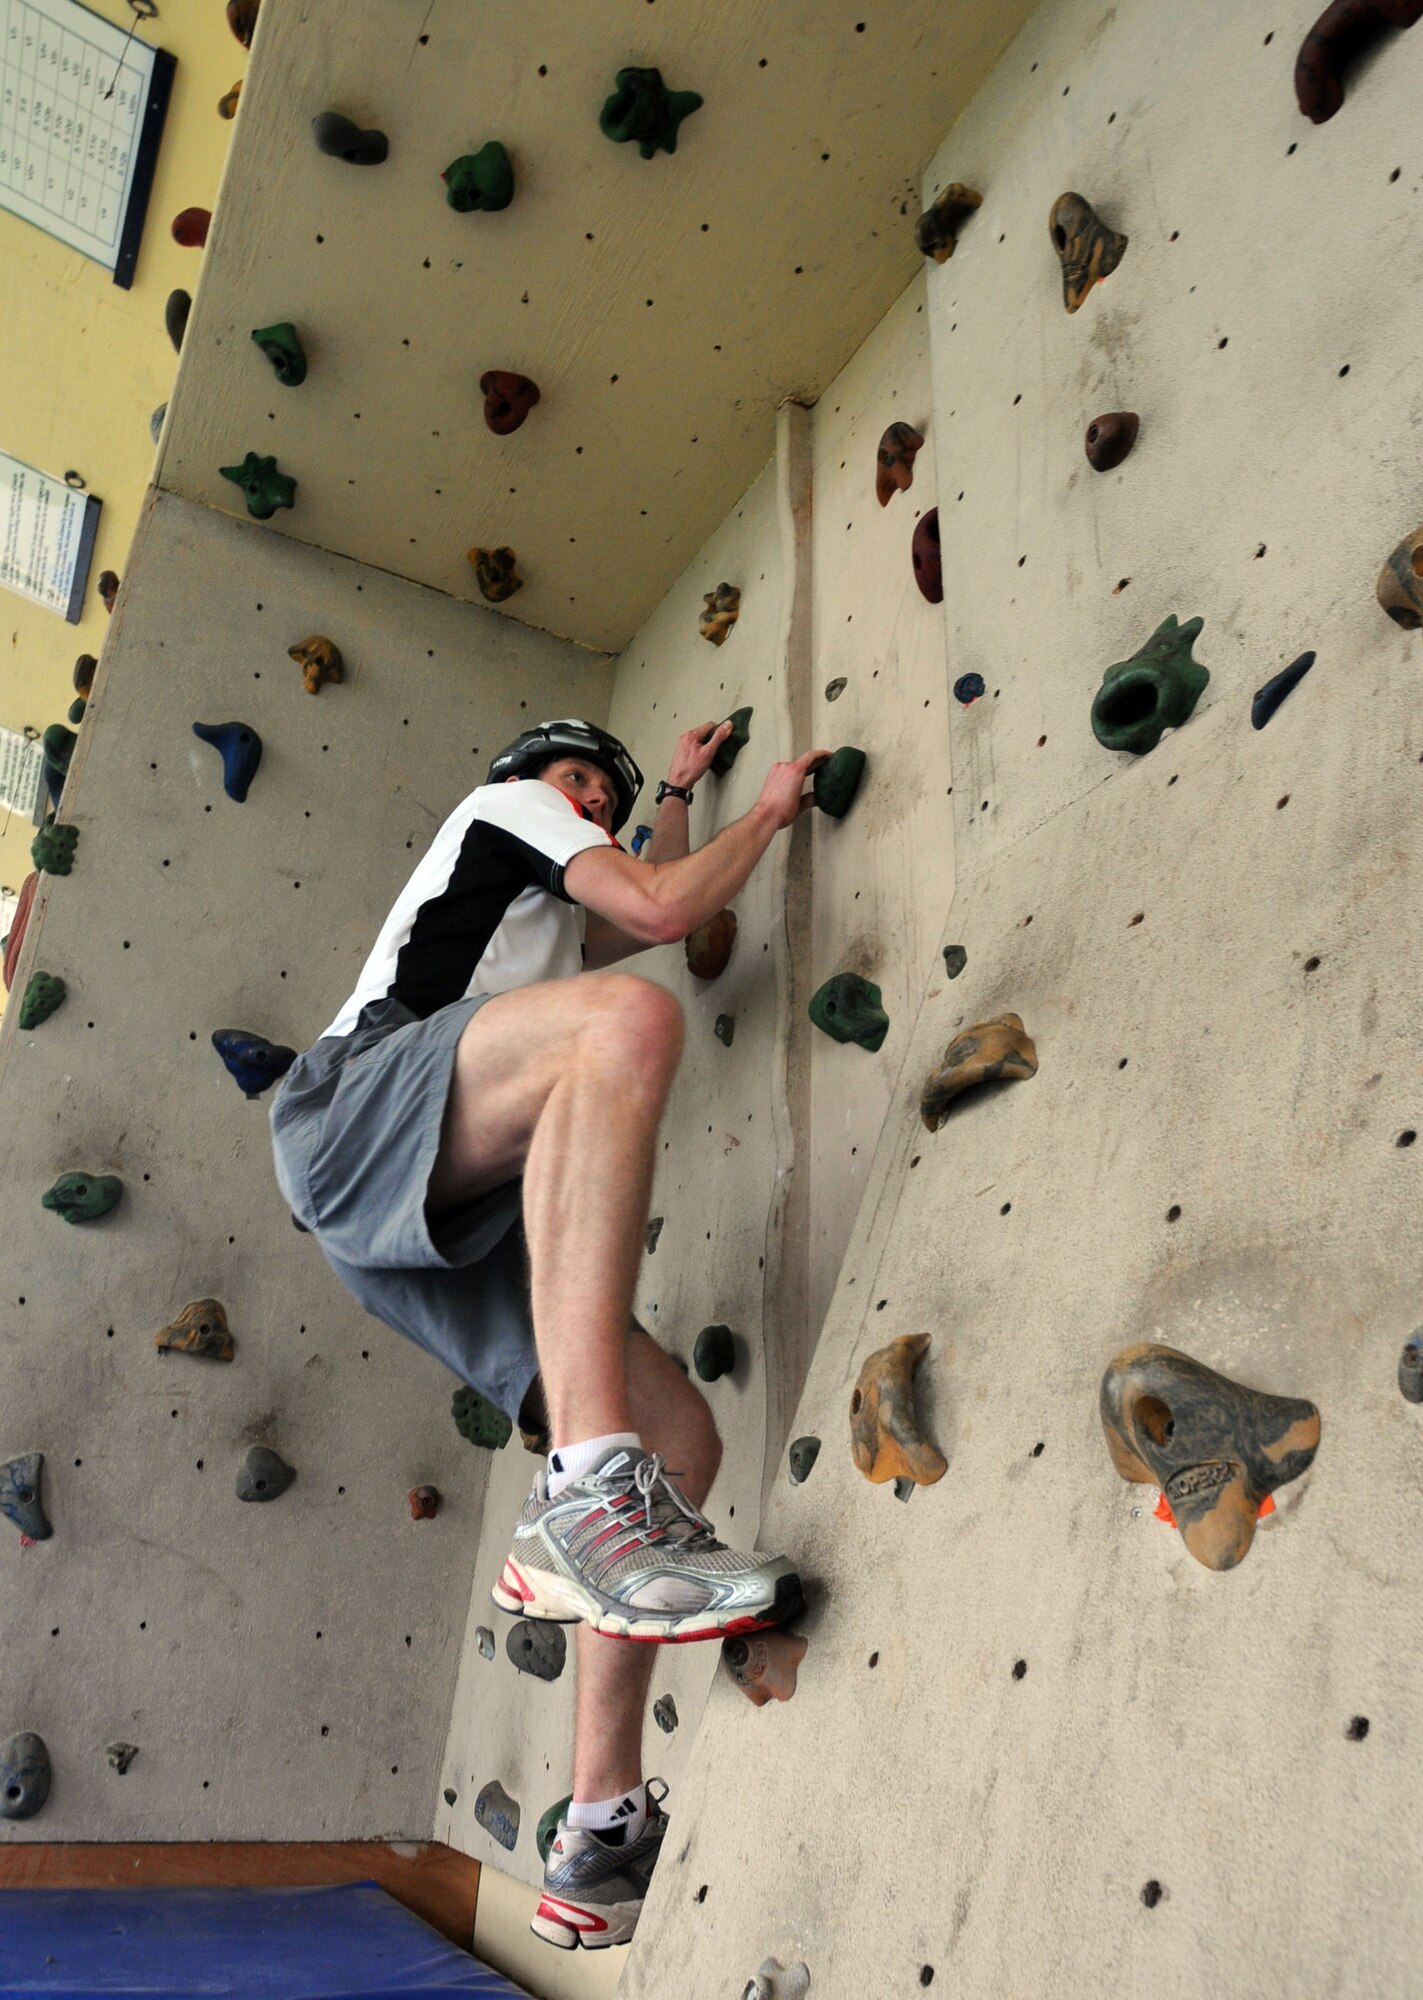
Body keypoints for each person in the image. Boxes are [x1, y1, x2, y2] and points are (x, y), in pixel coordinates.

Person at [268, 714, 827, 1952]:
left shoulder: (557, 902)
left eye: (602, 791)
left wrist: (679, 787)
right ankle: (582, 1495)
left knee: (681, 1433)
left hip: (430, 1203)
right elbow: (667, 911)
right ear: (527, 780)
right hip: (360, 1108)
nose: (585, 797)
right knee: (620, 1024)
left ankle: (599, 1821)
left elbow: (635, 906)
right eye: (574, 777)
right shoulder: (499, 812)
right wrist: (772, 811)